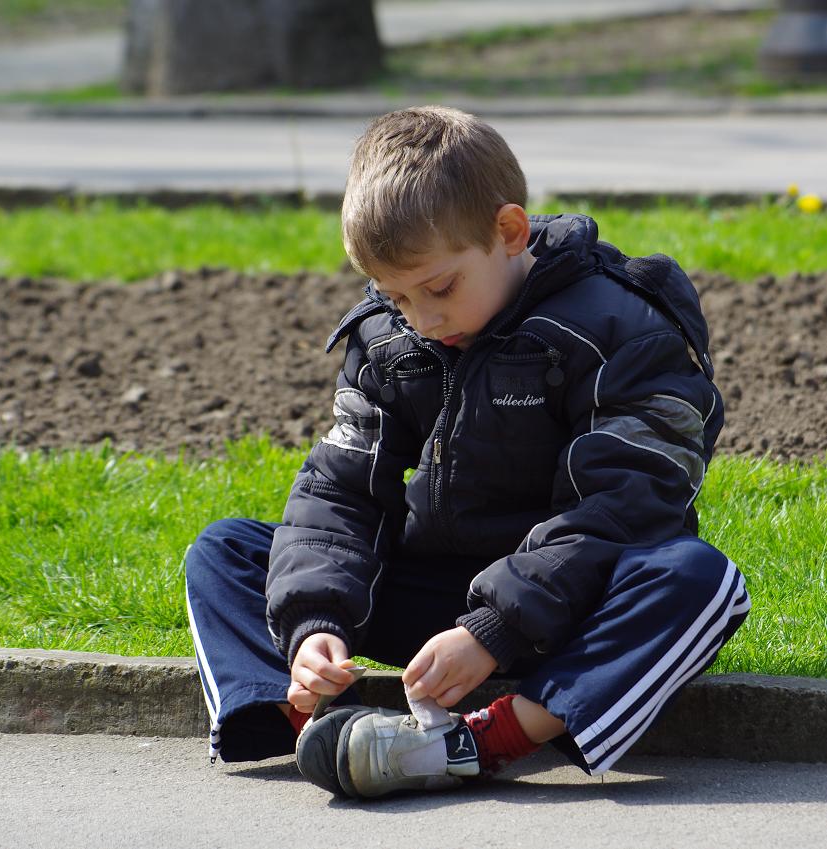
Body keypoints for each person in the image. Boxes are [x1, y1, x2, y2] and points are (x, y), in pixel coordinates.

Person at [184, 105, 750, 799]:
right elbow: (340, 491)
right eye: (394, 296)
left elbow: (625, 509)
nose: (421, 318)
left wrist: (491, 629)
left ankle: (483, 740)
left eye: (439, 287)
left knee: (698, 579)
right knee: (228, 550)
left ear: (508, 232)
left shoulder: (621, 329)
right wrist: (312, 628)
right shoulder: (388, 338)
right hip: (439, 596)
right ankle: (301, 713)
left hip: (572, 598)